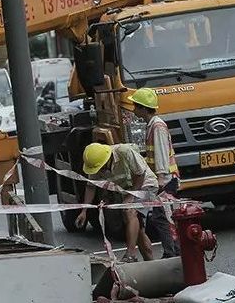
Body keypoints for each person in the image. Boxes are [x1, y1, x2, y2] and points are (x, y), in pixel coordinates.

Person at [75, 143, 159, 263]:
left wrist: (131, 196)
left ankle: (130, 255)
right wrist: (84, 211)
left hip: (145, 185)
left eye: (102, 168)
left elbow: (140, 174)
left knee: (129, 211)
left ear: (108, 159)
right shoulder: (96, 163)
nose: (101, 171)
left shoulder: (124, 152)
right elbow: (91, 187)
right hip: (126, 190)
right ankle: (150, 263)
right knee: (138, 230)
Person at [129, 87, 180, 258]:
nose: (133, 109)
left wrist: (160, 180)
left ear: (144, 108)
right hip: (164, 180)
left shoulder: (157, 126)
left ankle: (172, 253)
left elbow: (161, 154)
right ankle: (174, 251)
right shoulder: (152, 125)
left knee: (162, 217)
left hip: (166, 180)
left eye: (136, 106)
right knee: (165, 216)